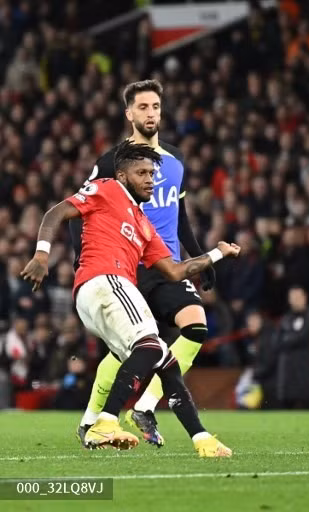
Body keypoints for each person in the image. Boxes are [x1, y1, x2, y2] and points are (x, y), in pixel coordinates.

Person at [21, 141, 239, 456]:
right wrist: (42, 255)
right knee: (151, 345)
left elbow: (175, 271)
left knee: (164, 361)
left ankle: (202, 439)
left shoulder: (143, 225)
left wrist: (217, 253)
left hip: (103, 293)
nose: (150, 179)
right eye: (142, 173)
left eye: (152, 173)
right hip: (104, 281)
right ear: (123, 176)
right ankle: (105, 422)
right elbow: (57, 212)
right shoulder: (108, 189)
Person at [69, 80, 216, 448]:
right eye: (143, 107)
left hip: (167, 264)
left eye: (155, 107)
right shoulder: (112, 161)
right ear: (129, 114)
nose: (150, 114)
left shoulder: (175, 159)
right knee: (129, 349)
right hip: (128, 263)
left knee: (196, 326)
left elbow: (180, 215)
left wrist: (199, 255)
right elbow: (79, 209)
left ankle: (145, 406)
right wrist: (81, 256)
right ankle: (92, 419)